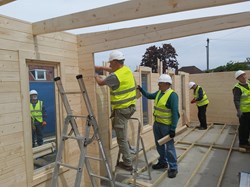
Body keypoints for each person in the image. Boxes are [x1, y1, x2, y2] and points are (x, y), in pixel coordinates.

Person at [95, 50, 136, 171]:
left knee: (121, 138)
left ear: (115, 62)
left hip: (121, 110)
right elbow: (113, 70)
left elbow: (101, 83)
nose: (109, 66)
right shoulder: (126, 70)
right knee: (122, 130)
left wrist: (95, 74)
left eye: (110, 63)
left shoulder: (114, 77)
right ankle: (128, 149)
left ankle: (128, 163)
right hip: (130, 107)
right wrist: (99, 67)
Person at [137, 74, 179, 178]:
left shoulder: (172, 95)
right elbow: (149, 96)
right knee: (159, 145)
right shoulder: (160, 92)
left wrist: (173, 128)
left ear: (166, 84)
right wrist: (141, 90)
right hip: (157, 124)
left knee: (169, 147)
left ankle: (173, 167)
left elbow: (175, 113)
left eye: (160, 83)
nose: (158, 85)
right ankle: (162, 162)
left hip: (167, 126)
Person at [232, 70, 250, 149]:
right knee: (243, 128)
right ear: (238, 79)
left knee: (248, 127)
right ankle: (242, 143)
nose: (243, 77)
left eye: (244, 75)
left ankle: (246, 142)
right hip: (243, 112)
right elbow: (236, 100)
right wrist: (238, 110)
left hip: (249, 110)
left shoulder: (248, 84)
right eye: (241, 76)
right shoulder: (238, 88)